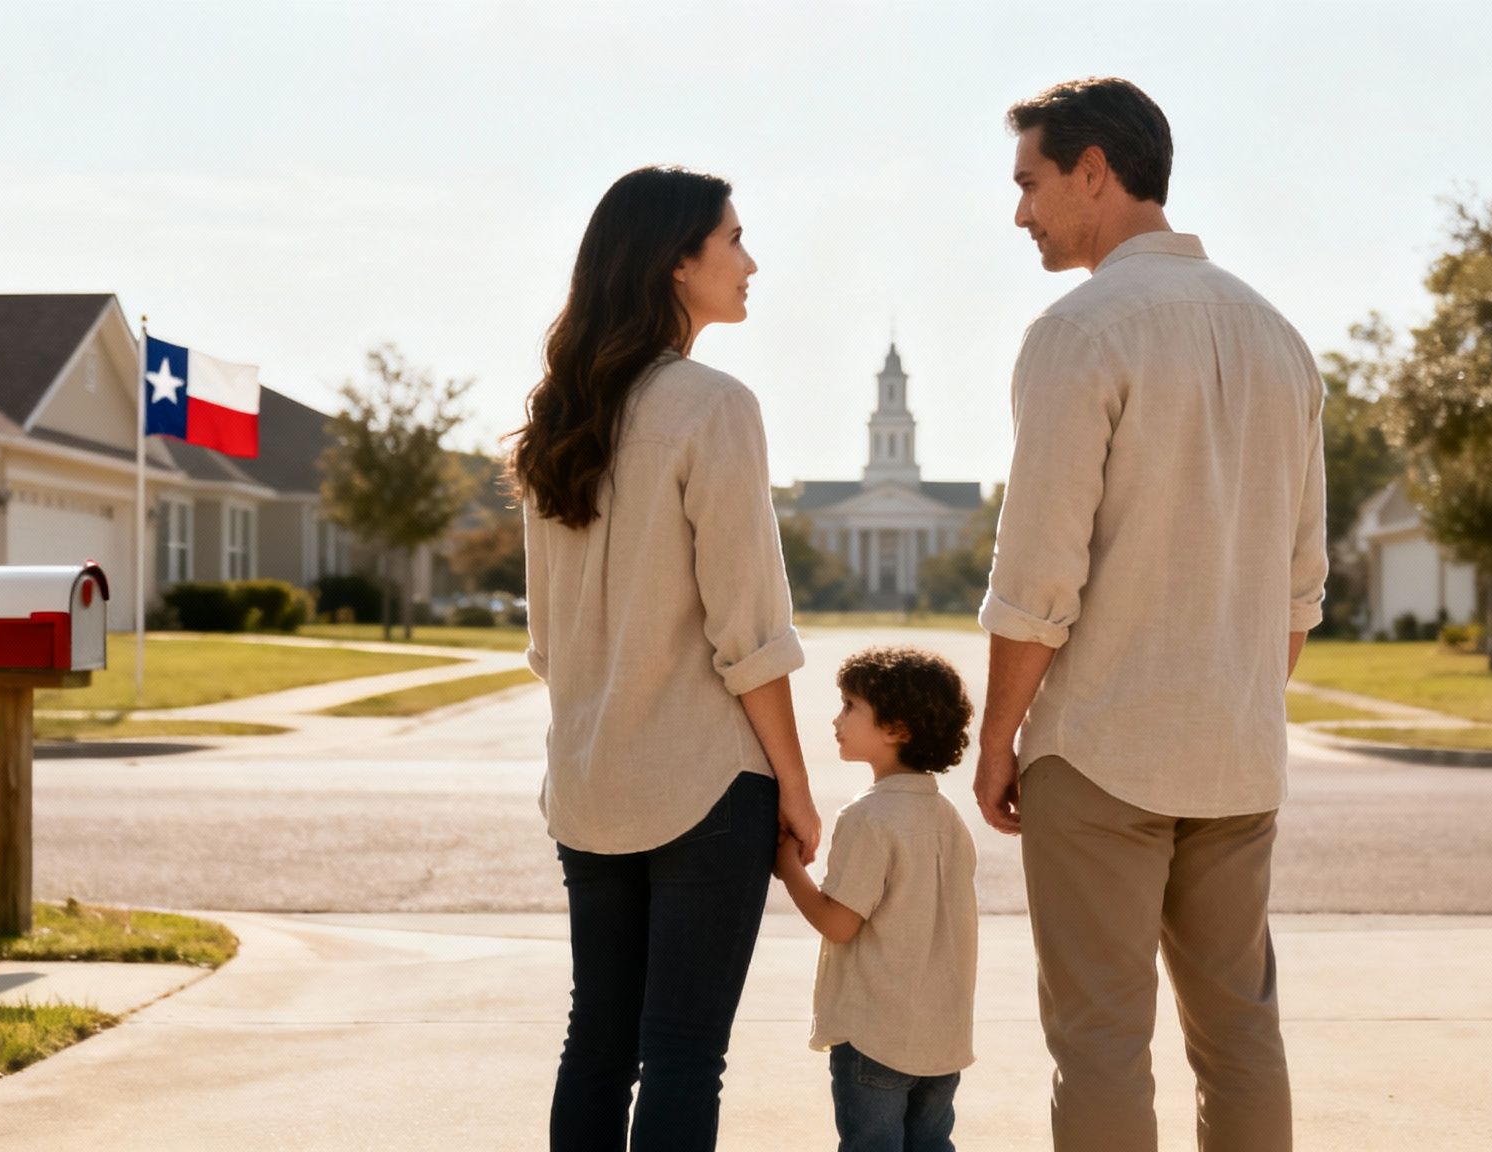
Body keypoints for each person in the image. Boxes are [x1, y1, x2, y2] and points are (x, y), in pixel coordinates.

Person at [972, 78, 1328, 1152]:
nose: (1019, 212)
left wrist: (998, 742)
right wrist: (1234, 703)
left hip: (1100, 754)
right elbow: (1298, 590)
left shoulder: (1078, 332)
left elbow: (1037, 580)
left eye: (1030, 182)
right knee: (1240, 1034)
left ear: (1093, 170)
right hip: (1234, 752)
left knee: (1097, 1044)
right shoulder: (1282, 340)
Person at [512, 164, 824, 1151]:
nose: (750, 261)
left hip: (589, 783)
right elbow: (750, 632)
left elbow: (548, 642)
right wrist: (794, 784)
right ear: (676, 262)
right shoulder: (711, 406)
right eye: (732, 240)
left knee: (596, 1043)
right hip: (703, 783)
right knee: (685, 1053)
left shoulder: (560, 416)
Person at [773, 646, 979, 1152]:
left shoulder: (868, 818)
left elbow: (839, 923)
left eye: (849, 706)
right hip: (942, 1038)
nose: (836, 719)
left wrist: (788, 870)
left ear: (897, 729)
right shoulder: (948, 819)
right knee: (931, 1143)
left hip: (876, 1035)